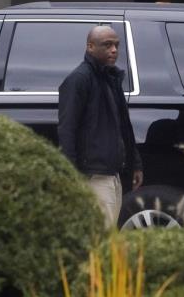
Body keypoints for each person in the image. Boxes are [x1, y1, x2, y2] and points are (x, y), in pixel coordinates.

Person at [58, 25, 144, 227]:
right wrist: (71, 174)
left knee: (108, 233)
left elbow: (123, 126)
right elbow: (67, 129)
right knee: (100, 236)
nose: (114, 50)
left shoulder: (110, 78)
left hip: (112, 172)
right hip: (93, 174)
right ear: (90, 46)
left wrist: (135, 163)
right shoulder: (78, 79)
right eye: (107, 45)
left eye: (116, 45)